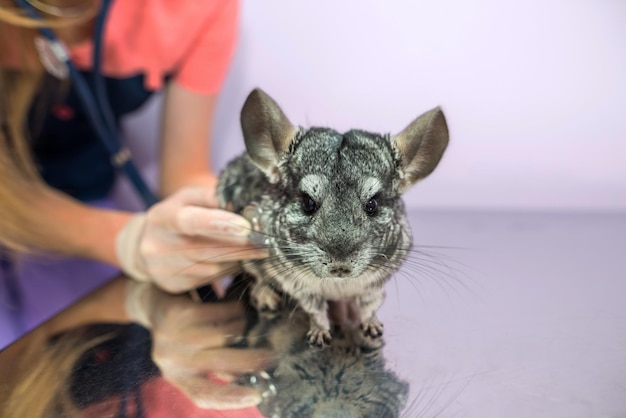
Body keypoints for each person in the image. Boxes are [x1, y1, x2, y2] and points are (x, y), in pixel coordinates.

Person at [0, 0, 273, 409]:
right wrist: (126, 239)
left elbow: (185, 172)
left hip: (85, 199)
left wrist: (219, 216)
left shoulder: (202, 9)